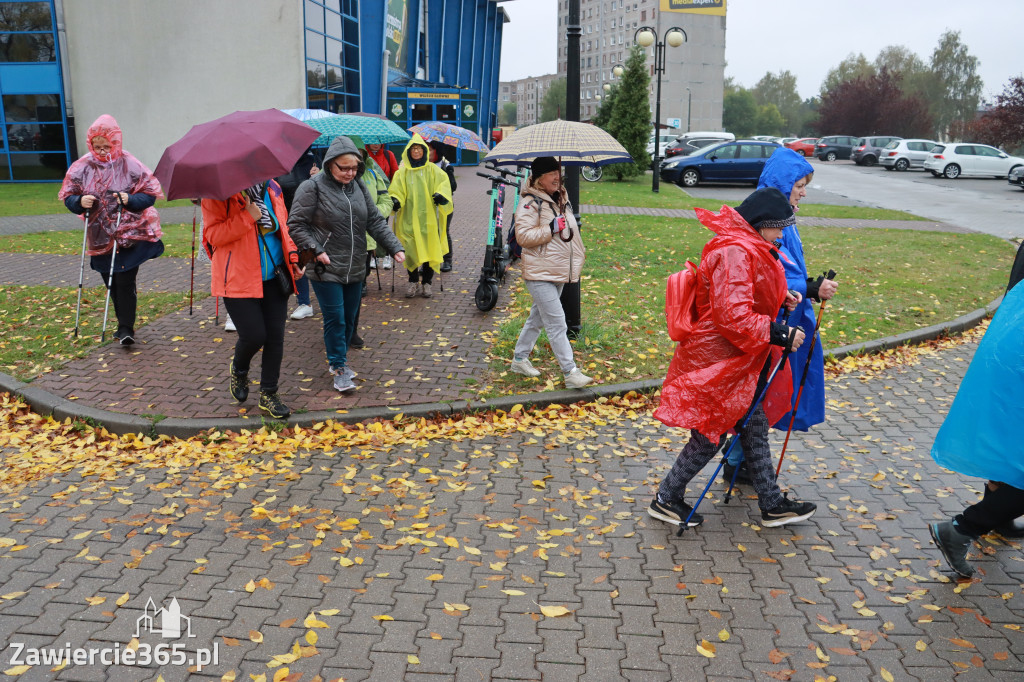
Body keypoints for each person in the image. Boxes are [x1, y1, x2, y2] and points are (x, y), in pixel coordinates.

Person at [649, 188, 817, 529]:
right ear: (762, 223)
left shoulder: (745, 244)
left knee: (753, 426)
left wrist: (779, 297)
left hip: (739, 356)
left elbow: (744, 293)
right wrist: (779, 333)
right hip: (720, 356)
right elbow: (732, 314)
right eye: (779, 226)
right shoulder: (734, 250)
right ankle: (666, 498)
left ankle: (772, 503)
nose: (781, 234)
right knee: (710, 432)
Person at [723, 148, 838, 485]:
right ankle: (737, 461)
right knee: (761, 394)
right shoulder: (767, 221)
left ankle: (739, 460)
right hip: (770, 326)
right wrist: (811, 288)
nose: (803, 192)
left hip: (786, 321)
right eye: (799, 185)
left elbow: (785, 270)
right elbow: (768, 274)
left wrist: (809, 287)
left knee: (766, 395)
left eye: (805, 186)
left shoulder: (784, 218)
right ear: (783, 184)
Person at [929, 242, 1024, 577]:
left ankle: (997, 517)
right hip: (1017, 354)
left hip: (1011, 342)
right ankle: (962, 529)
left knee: (1011, 446)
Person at [288, 136, 405, 393]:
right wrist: (316, 250)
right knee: (336, 319)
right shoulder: (311, 187)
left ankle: (338, 356)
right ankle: (339, 367)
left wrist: (394, 246)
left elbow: (374, 220)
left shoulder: (358, 186)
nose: (350, 173)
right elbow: (296, 225)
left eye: (354, 168)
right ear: (330, 163)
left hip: (355, 264)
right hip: (325, 266)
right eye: (344, 168)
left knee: (350, 320)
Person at [59, 115, 164, 346]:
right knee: (111, 280)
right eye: (97, 146)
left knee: (125, 279)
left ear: (115, 142)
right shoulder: (82, 167)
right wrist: (79, 201)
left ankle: (126, 328)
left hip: (129, 234)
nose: (102, 151)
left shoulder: (130, 164)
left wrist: (130, 199)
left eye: (106, 146)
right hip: (99, 235)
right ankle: (122, 323)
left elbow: (149, 194)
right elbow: (68, 196)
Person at [201, 179, 301, 420]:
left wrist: (293, 257)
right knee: (254, 336)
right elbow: (213, 236)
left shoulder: (272, 187)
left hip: (275, 275)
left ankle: (269, 393)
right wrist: (247, 216)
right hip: (237, 278)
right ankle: (239, 368)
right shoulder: (217, 194)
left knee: (275, 338)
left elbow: (283, 228)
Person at [508, 156, 592, 390]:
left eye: (559, 172)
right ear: (539, 178)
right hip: (539, 272)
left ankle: (519, 359)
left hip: (557, 269)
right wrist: (551, 228)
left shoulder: (560, 198)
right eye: (552, 173)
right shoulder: (530, 202)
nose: (558, 177)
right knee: (557, 322)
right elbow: (523, 236)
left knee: (537, 319)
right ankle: (570, 372)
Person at [389, 134, 452, 298]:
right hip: (408, 219)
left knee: (429, 250)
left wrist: (441, 195)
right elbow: (396, 190)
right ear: (408, 151)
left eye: (419, 148)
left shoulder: (433, 170)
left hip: (428, 220)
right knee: (410, 250)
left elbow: (444, 184)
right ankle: (413, 281)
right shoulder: (402, 173)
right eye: (413, 149)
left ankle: (427, 283)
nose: (416, 151)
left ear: (424, 151)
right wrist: (395, 200)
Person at [347, 134, 396, 349]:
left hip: (365, 240)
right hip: (337, 242)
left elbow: (386, 199)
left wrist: (374, 213)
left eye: (359, 154)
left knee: (356, 287)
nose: (355, 159)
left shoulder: (373, 173)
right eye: (351, 154)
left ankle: (352, 330)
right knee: (338, 290)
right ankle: (339, 330)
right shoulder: (325, 175)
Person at [275, 148, 320, 322]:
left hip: (309, 220)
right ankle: (302, 302)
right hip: (283, 219)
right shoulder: (277, 161)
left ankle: (306, 303)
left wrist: (319, 176)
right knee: (290, 259)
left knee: (306, 259)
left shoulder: (313, 160)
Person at [428, 141, 457, 272]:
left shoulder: (445, 165)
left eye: (430, 150)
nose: (428, 152)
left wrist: (447, 175)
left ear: (437, 151)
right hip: (428, 204)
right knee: (428, 232)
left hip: (443, 205)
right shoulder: (423, 165)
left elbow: (453, 186)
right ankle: (428, 261)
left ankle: (447, 260)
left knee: (443, 231)